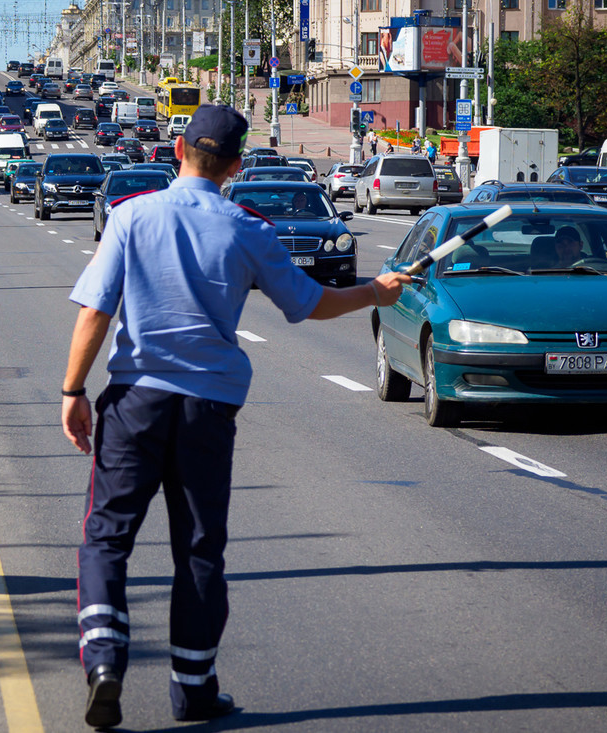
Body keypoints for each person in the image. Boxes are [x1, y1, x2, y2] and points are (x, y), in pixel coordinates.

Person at [61, 104, 411, 730]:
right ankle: (194, 689)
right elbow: (308, 304)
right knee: (199, 550)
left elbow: (95, 312)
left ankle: (105, 661)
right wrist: (373, 292)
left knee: (106, 538)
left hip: (136, 401)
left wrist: (73, 390)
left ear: (178, 150)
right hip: (208, 408)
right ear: (236, 165)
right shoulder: (248, 228)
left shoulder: (131, 216)